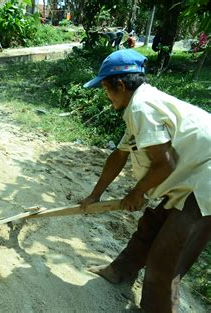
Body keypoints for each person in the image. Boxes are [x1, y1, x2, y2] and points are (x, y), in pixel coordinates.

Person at [80, 49, 211, 312]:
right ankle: (119, 271)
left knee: (165, 259)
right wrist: (95, 195)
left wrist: (136, 193)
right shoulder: (137, 105)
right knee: (151, 224)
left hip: (205, 183)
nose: (106, 97)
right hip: (192, 175)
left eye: (106, 89)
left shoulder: (142, 107)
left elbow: (165, 164)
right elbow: (118, 156)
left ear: (119, 84)